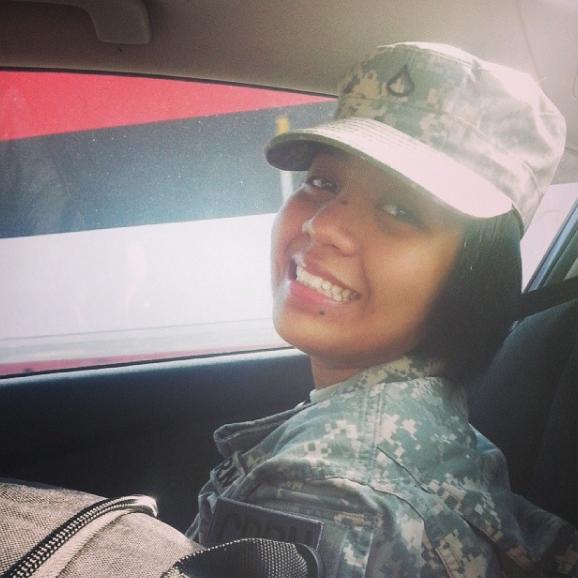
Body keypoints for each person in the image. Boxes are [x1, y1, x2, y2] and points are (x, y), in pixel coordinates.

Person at [187, 42, 577, 577]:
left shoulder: (329, 493)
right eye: (322, 182)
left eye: (400, 210)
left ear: (474, 276)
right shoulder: (434, 427)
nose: (322, 225)